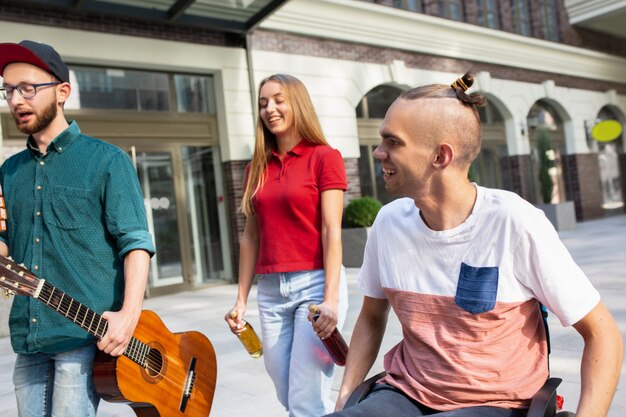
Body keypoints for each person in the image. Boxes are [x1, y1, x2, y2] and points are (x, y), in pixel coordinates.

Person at [327, 74, 624, 417]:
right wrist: (345, 398)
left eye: (392, 142)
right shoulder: (388, 223)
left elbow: (603, 334)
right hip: (405, 393)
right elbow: (371, 316)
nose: (379, 152)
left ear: (440, 156)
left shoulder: (515, 222)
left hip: (495, 403)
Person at [0, 40, 155, 417]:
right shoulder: (9, 172)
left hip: (83, 335)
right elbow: (5, 256)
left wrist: (128, 314)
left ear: (63, 92)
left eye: (27, 88)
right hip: (29, 336)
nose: (16, 100)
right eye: (7, 90)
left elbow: (135, 242)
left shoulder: (107, 161)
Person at [225, 73, 348, 417]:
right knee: (286, 391)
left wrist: (332, 299)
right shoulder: (256, 168)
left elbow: (330, 231)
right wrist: (241, 300)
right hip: (271, 292)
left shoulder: (325, 157)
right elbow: (251, 237)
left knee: (305, 400)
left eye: (278, 100)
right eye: (263, 103)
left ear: (297, 103)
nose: (270, 109)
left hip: (314, 286)